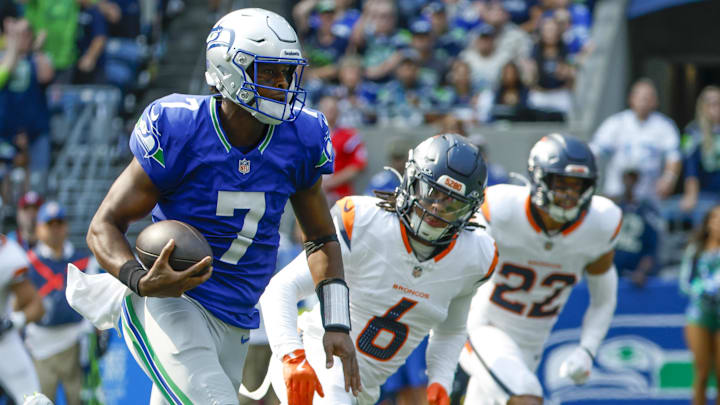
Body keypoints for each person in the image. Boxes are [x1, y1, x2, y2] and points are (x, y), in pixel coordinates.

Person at [77, 9, 360, 405]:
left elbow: (322, 239)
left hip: (237, 315)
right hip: (174, 302)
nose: (282, 84)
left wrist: (337, 322)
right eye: (268, 72)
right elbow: (103, 225)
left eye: (287, 73)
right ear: (229, 70)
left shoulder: (303, 136)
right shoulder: (179, 127)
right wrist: (138, 280)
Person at [261, 134, 499, 405]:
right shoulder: (364, 222)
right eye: (431, 192)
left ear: (469, 210)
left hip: (364, 388)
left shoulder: (474, 255)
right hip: (317, 356)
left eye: (452, 203)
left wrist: (440, 380)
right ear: (410, 180)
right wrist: (291, 354)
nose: (436, 207)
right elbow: (281, 287)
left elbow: (451, 330)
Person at [459, 133, 621, 404]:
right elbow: (458, 262)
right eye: (562, 183)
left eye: (578, 186)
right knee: (526, 396)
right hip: (483, 327)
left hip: (532, 345)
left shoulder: (601, 223)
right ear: (539, 178)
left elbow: (604, 299)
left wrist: (587, 350)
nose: (570, 195)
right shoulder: (501, 208)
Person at [24, 201, 97, 405]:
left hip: (75, 343)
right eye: (50, 224)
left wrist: (98, 333)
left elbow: (92, 303)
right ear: (39, 228)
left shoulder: (83, 261)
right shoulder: (27, 263)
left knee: (79, 400)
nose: (55, 229)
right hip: (39, 346)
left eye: (59, 223)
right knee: (42, 400)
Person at [591, 78, 682, 202]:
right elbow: (595, 151)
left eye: (648, 98)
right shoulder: (615, 122)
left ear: (656, 101)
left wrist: (668, 179)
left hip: (649, 195)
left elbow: (674, 157)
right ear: (631, 99)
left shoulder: (665, 126)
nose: (644, 101)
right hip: (616, 193)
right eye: (640, 97)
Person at [680, 204, 720, 405]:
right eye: (715, 218)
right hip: (699, 315)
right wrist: (705, 289)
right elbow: (685, 283)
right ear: (708, 223)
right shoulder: (696, 250)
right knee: (702, 371)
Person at [0, 233, 44, 404]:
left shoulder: (7, 254)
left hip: (2, 342)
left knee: (33, 399)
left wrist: (12, 322)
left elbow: (36, 306)